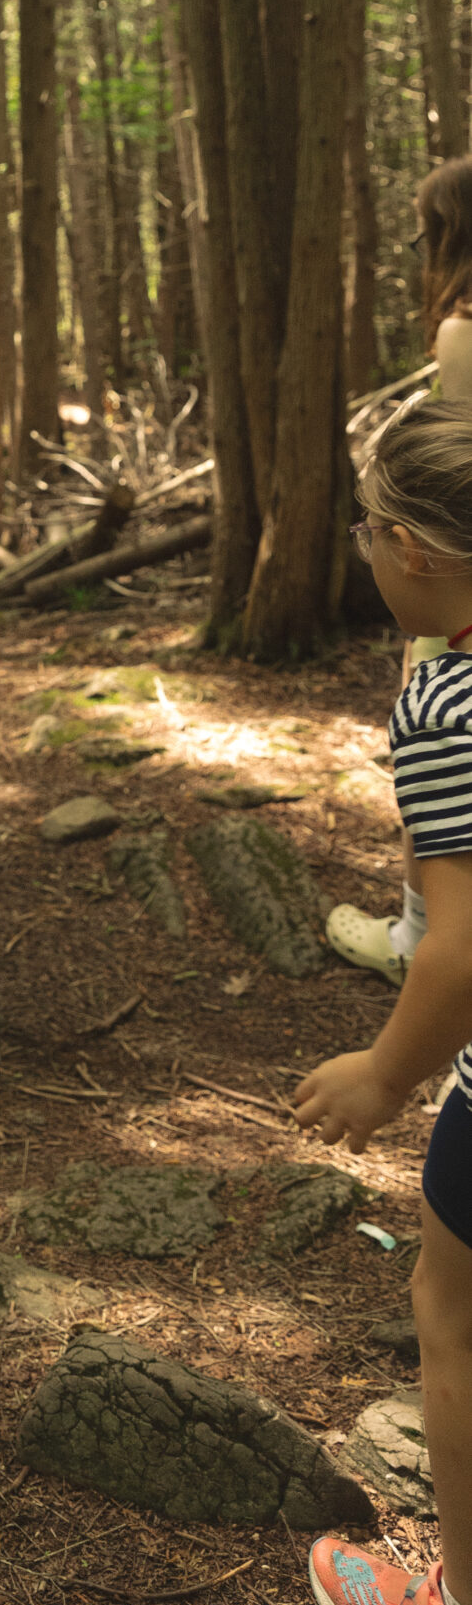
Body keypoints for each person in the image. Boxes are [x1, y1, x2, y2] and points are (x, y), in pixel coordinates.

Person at [297, 399, 472, 1605]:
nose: (355, 548)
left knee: (448, 1316)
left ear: (409, 548)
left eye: (364, 525)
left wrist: (385, 1069)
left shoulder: (442, 695)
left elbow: (460, 947)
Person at [330, 157, 472, 986]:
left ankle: (419, 940)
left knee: (442, 764)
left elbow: (453, 465)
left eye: (424, 230)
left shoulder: (460, 328)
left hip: (452, 561)